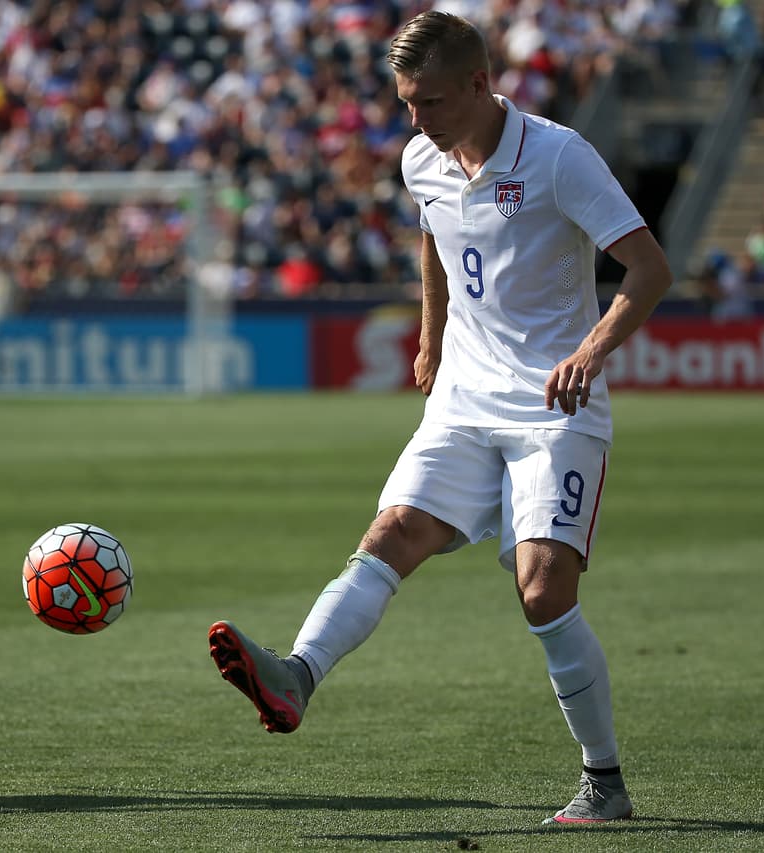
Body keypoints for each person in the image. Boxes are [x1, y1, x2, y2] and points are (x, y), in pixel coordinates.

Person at [208, 10, 672, 827]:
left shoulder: (560, 155)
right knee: (390, 533)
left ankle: (605, 783)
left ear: (480, 84)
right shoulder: (421, 156)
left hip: (552, 405)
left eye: (429, 102)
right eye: (405, 103)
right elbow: (434, 236)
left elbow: (649, 268)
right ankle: (296, 676)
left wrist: (592, 351)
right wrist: (432, 334)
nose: (414, 121)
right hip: (464, 392)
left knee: (542, 588)